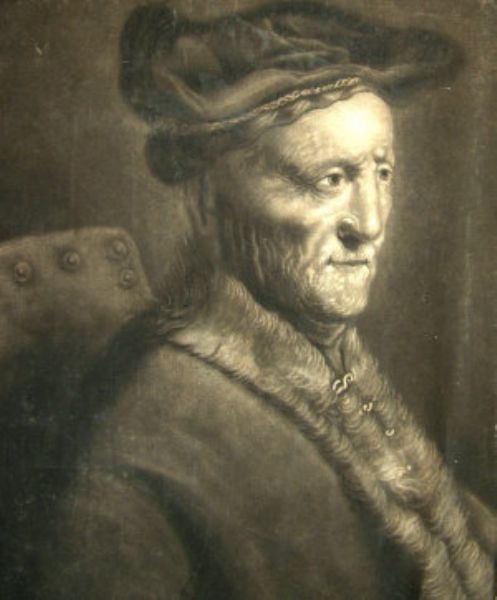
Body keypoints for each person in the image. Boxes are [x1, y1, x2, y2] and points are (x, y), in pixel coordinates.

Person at [40, 3, 496, 599]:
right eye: (329, 180)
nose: (369, 223)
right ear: (208, 203)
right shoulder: (144, 441)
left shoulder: (342, 375)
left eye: (381, 173)